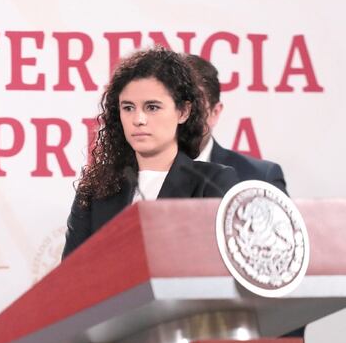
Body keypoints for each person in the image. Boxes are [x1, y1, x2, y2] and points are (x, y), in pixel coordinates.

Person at [63, 47, 239, 258]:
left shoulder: (213, 182)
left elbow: (215, 270)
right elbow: (71, 279)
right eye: (128, 108)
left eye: (152, 107)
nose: (138, 119)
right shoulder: (95, 190)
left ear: (183, 111)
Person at [186, 54, 287, 193]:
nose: (182, 116)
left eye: (193, 107)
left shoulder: (260, 179)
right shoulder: (145, 176)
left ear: (215, 112)